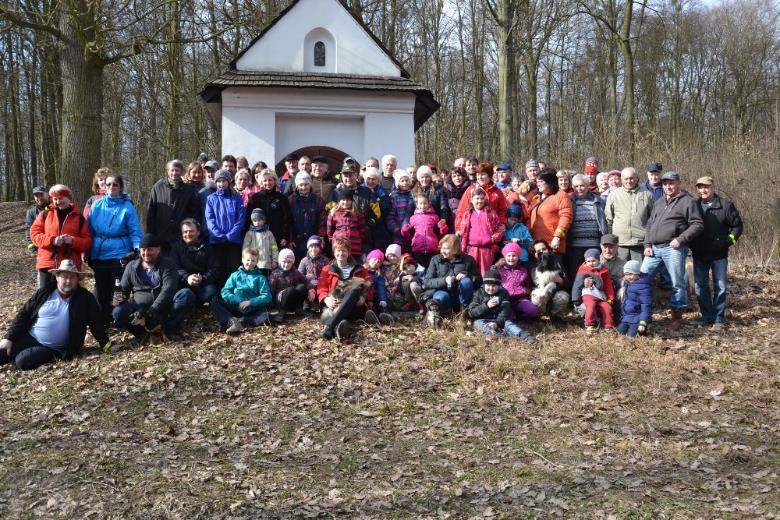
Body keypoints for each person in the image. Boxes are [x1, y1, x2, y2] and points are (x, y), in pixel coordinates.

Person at [0, 259, 111, 370]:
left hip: (54, 348)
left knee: (23, 361)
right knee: (3, 351)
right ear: (57, 277)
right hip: (30, 337)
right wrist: (9, 338)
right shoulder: (44, 292)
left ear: (77, 279)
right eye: (64, 277)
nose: (68, 281)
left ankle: (34, 355)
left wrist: (107, 345)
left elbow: (96, 324)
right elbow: (23, 314)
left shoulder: (85, 298)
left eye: (72, 277)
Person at [641, 171, 704, 330]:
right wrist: (647, 245)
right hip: (654, 249)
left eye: (671, 183)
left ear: (678, 183)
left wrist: (680, 239)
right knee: (641, 279)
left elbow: (697, 224)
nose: (668, 186)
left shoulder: (687, 201)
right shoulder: (659, 202)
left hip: (673, 248)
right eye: (665, 184)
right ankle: (642, 315)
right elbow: (650, 224)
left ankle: (676, 316)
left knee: (677, 283)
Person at [86, 173, 143, 324]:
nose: (111, 187)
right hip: (99, 252)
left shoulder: (127, 207)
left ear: (120, 188)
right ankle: (101, 318)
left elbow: (135, 231)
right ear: (103, 186)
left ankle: (117, 316)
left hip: (120, 252)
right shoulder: (96, 205)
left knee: (117, 287)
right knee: (100, 286)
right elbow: (89, 231)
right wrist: (87, 250)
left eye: (115, 185)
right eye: (108, 184)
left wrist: (137, 248)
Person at [690, 176, 743, 329]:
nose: (703, 190)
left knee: (720, 286)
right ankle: (706, 316)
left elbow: (737, 226)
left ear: (713, 188)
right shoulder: (694, 206)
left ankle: (719, 318)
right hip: (699, 254)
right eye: (700, 187)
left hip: (719, 255)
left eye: (706, 187)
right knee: (700, 286)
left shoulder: (726, 205)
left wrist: (729, 241)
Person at [112, 233, 179, 343]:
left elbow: (168, 290)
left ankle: (168, 331)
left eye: (150, 249)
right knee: (118, 312)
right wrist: (118, 298)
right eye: (143, 250)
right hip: (139, 310)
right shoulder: (131, 266)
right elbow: (124, 289)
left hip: (162, 308)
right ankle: (142, 334)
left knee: (185, 295)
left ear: (158, 250)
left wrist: (152, 310)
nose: (146, 253)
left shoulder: (168, 265)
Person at [30, 184, 92, 289]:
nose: (58, 202)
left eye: (61, 198)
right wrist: (52, 240)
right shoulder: (45, 213)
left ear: (69, 198)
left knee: (69, 299)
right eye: (55, 199)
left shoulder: (79, 218)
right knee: (44, 298)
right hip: (47, 264)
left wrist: (72, 241)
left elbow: (87, 242)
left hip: (70, 266)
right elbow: (34, 234)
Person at [317, 236, 376, 340]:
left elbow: (369, 284)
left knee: (355, 288)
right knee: (334, 314)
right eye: (338, 250)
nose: (341, 254)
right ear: (334, 252)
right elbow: (321, 288)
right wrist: (326, 299)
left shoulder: (359, 268)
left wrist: (364, 296)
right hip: (334, 305)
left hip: (355, 304)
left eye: (344, 250)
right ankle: (340, 328)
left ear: (349, 252)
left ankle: (329, 326)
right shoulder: (327, 269)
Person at [169, 219, 219, 338]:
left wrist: (203, 278)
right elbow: (174, 268)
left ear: (198, 232)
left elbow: (215, 268)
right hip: (183, 283)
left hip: (203, 283)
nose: (187, 234)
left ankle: (197, 306)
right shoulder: (176, 248)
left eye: (191, 231)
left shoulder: (208, 248)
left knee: (211, 291)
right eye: (185, 232)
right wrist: (187, 277)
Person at [421, 234, 481, 326]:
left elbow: (479, 281)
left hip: (461, 296)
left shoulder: (468, 260)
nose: (443, 251)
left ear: (456, 249)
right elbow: (427, 282)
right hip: (443, 292)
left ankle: (464, 314)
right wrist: (444, 280)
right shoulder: (435, 260)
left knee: (466, 281)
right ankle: (444, 316)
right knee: (441, 297)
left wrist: (468, 276)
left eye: (446, 248)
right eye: (441, 248)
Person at [211, 247, 272, 334]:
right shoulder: (235, 275)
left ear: (256, 262)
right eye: (248, 260)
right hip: (236, 307)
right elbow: (225, 291)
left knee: (268, 317)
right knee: (215, 302)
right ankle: (231, 321)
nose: (250, 263)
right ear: (242, 260)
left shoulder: (260, 278)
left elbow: (267, 296)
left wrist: (250, 302)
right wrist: (237, 300)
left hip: (253, 310)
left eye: (253, 261)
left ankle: (242, 321)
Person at [145, 159, 199, 253]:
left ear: (181, 172)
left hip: (181, 237)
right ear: (168, 171)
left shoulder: (188, 190)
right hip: (160, 236)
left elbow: (194, 213)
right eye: (172, 170)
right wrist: (151, 234)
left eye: (177, 170)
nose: (174, 173)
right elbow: (151, 212)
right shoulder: (158, 187)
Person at [467, 269, 535, 343]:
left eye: (494, 286)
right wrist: (486, 306)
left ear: (499, 286)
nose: (491, 288)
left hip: (500, 319)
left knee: (510, 325)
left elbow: (505, 311)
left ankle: (526, 336)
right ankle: (499, 336)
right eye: (488, 285)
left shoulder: (503, 293)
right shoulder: (478, 293)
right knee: (478, 324)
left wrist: (497, 323)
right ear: (484, 285)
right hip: (483, 319)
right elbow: (472, 312)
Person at [564, 173, 607, 287]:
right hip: (574, 245)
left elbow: (605, 221)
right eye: (576, 186)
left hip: (594, 244)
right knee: (576, 274)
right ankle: (577, 299)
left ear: (588, 186)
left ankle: (595, 298)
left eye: (582, 186)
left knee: (595, 274)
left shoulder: (598, 201)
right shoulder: (568, 200)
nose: (579, 189)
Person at [604, 167, 654, 261]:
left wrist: (649, 242)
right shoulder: (614, 195)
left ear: (637, 178)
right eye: (626, 179)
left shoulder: (647, 194)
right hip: (620, 243)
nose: (629, 181)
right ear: (621, 180)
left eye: (631, 178)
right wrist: (610, 241)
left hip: (640, 243)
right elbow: (609, 219)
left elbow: (653, 219)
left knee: (639, 273)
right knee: (620, 273)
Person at [205, 169, 245, 285]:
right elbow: (210, 220)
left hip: (233, 241)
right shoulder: (211, 199)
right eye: (219, 181)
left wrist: (231, 234)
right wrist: (219, 235)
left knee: (233, 268)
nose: (221, 184)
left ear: (228, 182)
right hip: (217, 241)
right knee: (219, 269)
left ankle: (233, 297)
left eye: (224, 181)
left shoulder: (236, 197)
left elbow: (240, 218)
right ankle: (219, 297)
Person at [528, 169, 573, 263]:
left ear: (549, 182)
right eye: (537, 182)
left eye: (541, 182)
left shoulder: (561, 196)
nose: (538, 184)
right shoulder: (536, 198)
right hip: (537, 246)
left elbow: (566, 217)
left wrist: (557, 237)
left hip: (552, 245)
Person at [458, 186, 505, 275]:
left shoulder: (491, 213)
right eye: (477, 198)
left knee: (485, 273)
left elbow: (500, 229)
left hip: (487, 249)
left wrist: (493, 238)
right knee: (471, 272)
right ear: (472, 200)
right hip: (471, 249)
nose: (480, 201)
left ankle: (485, 287)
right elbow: (463, 232)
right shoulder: (467, 214)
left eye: (482, 198)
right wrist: (463, 248)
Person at [245, 169, 293, 248]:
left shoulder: (282, 198)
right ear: (261, 182)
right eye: (265, 180)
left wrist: (285, 237)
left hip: (277, 238)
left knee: (275, 258)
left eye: (270, 180)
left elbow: (287, 219)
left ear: (274, 180)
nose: (268, 183)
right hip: (259, 238)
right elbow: (248, 219)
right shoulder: (255, 198)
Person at [571, 248, 616, 333]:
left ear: (598, 260)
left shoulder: (603, 270)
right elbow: (577, 284)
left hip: (600, 295)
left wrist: (610, 298)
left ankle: (608, 326)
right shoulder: (582, 269)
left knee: (607, 307)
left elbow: (608, 285)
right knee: (590, 306)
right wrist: (576, 298)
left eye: (593, 261)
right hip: (588, 294)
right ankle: (589, 325)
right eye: (588, 261)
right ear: (585, 261)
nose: (591, 263)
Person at [454, 162, 508, 231]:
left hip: (493, 230)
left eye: (482, 175)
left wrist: (501, 223)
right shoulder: (471, 190)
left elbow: (503, 210)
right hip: (473, 230)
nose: (479, 177)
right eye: (478, 175)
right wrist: (458, 228)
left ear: (489, 175)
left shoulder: (497, 192)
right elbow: (462, 210)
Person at [402, 193, 448, 269]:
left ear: (429, 204)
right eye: (420, 203)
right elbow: (408, 235)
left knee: (432, 268)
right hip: (418, 249)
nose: (422, 206)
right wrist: (405, 231)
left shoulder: (434, 217)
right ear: (416, 204)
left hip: (432, 248)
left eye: (425, 203)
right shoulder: (413, 218)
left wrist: (443, 227)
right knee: (420, 269)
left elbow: (441, 234)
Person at [289, 172, 327, 261]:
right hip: (296, 240)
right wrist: (289, 239)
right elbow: (287, 221)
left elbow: (322, 220)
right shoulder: (291, 200)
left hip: (313, 239)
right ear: (297, 186)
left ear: (310, 185)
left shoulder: (318, 200)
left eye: (306, 184)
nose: (304, 187)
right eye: (301, 185)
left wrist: (321, 236)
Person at [496, 242, 539, 320]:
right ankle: (512, 315)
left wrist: (526, 290)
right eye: (509, 256)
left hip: (520, 298)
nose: (511, 258)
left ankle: (520, 315)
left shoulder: (523, 270)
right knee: (508, 317)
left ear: (518, 256)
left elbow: (528, 285)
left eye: (514, 256)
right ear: (505, 257)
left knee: (532, 311)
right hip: (505, 299)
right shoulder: (499, 270)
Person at [268, 248, 308, 324]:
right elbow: (271, 289)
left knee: (301, 286)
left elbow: (305, 281)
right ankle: (282, 311)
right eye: (284, 262)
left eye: (289, 262)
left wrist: (311, 289)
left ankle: (298, 308)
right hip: (280, 300)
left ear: (292, 262)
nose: (286, 264)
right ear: (280, 262)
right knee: (290, 290)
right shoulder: (275, 274)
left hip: (292, 298)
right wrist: (272, 304)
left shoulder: (295, 271)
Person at [615, 260, 653, 337]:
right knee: (617, 333)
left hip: (637, 319)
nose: (628, 277)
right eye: (626, 274)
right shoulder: (626, 283)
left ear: (637, 273)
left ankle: (644, 330)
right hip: (626, 317)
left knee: (631, 337)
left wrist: (643, 322)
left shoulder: (643, 286)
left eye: (631, 274)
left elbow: (646, 305)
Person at [298, 236, 330, 313]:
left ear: (320, 248)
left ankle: (322, 304)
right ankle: (306, 304)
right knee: (301, 286)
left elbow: (328, 275)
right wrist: (309, 287)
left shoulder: (325, 260)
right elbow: (299, 275)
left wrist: (320, 282)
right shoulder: (304, 261)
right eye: (311, 246)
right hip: (308, 286)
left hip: (321, 286)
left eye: (316, 246)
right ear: (308, 248)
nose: (313, 249)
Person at [243, 208, 279, 275]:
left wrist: (275, 260)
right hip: (252, 263)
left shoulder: (269, 234)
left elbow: (274, 247)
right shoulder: (249, 234)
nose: (257, 222)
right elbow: (245, 247)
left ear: (264, 220)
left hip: (266, 264)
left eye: (259, 220)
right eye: (255, 220)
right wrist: (245, 259)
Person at [387, 169, 416, 250]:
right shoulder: (393, 196)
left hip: (412, 232)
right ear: (398, 183)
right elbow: (390, 216)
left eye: (407, 180)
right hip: (398, 233)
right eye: (402, 181)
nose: (405, 183)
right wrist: (396, 229)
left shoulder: (414, 195)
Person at [25, 186, 49, 255]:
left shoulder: (55, 207)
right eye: (36, 196)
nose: (39, 198)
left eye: (41, 195)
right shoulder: (31, 212)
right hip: (40, 248)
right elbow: (28, 229)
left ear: (47, 195)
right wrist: (32, 247)